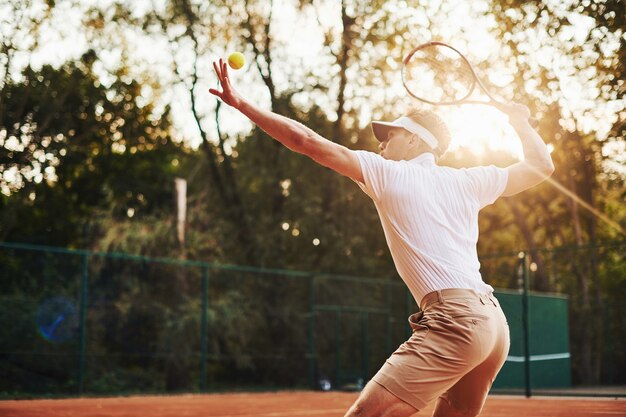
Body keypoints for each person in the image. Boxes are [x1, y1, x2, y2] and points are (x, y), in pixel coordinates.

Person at [209, 58, 554, 417]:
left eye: (392, 135)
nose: (382, 144)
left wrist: (242, 104)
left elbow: (305, 141)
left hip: (456, 321)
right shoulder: (467, 180)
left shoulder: (389, 174)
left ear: (417, 140)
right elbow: (541, 167)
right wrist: (521, 123)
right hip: (494, 327)